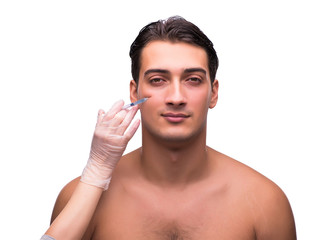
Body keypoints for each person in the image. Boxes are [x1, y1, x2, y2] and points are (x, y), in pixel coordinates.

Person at [42, 16, 296, 240]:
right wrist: (95, 173)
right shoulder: (81, 197)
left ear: (213, 93)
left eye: (193, 80)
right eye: (158, 80)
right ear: (135, 92)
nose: (176, 97)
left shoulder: (264, 203)